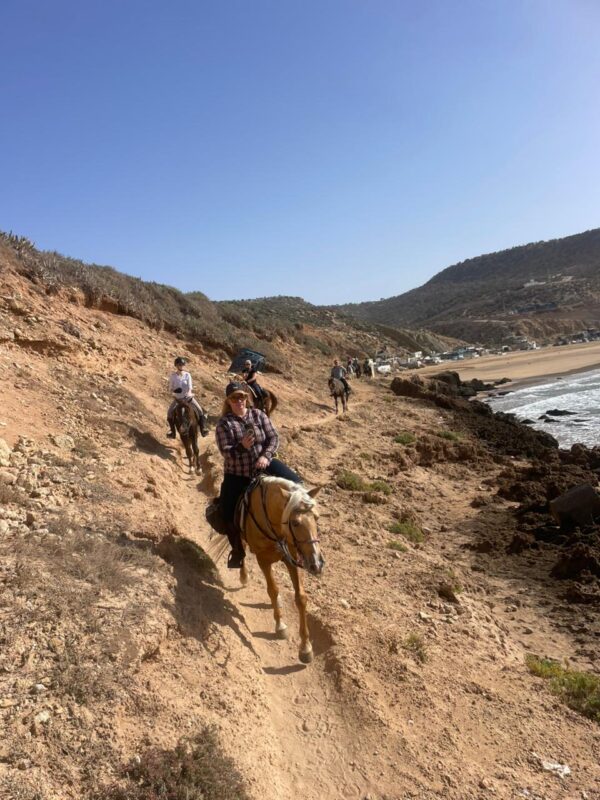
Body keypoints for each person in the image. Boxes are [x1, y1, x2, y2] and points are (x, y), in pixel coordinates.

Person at [215, 382, 301, 568]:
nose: (239, 401)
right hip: (238, 473)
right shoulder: (224, 424)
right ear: (228, 401)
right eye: (235, 398)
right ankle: (238, 550)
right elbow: (225, 451)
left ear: (246, 398)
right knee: (226, 512)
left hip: (264, 465)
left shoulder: (259, 415)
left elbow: (273, 438)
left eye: (242, 397)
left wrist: (265, 456)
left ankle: (299, 534)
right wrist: (241, 447)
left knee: (296, 484)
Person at [166, 357, 209, 439]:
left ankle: (203, 429)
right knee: (169, 413)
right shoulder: (173, 376)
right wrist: (175, 390)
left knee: (200, 411)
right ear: (176, 365)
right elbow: (170, 389)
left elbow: (190, 387)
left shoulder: (187, 375)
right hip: (178, 399)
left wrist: (189, 394)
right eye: (179, 364)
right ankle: (172, 432)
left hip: (188, 397)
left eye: (182, 364)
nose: (181, 366)